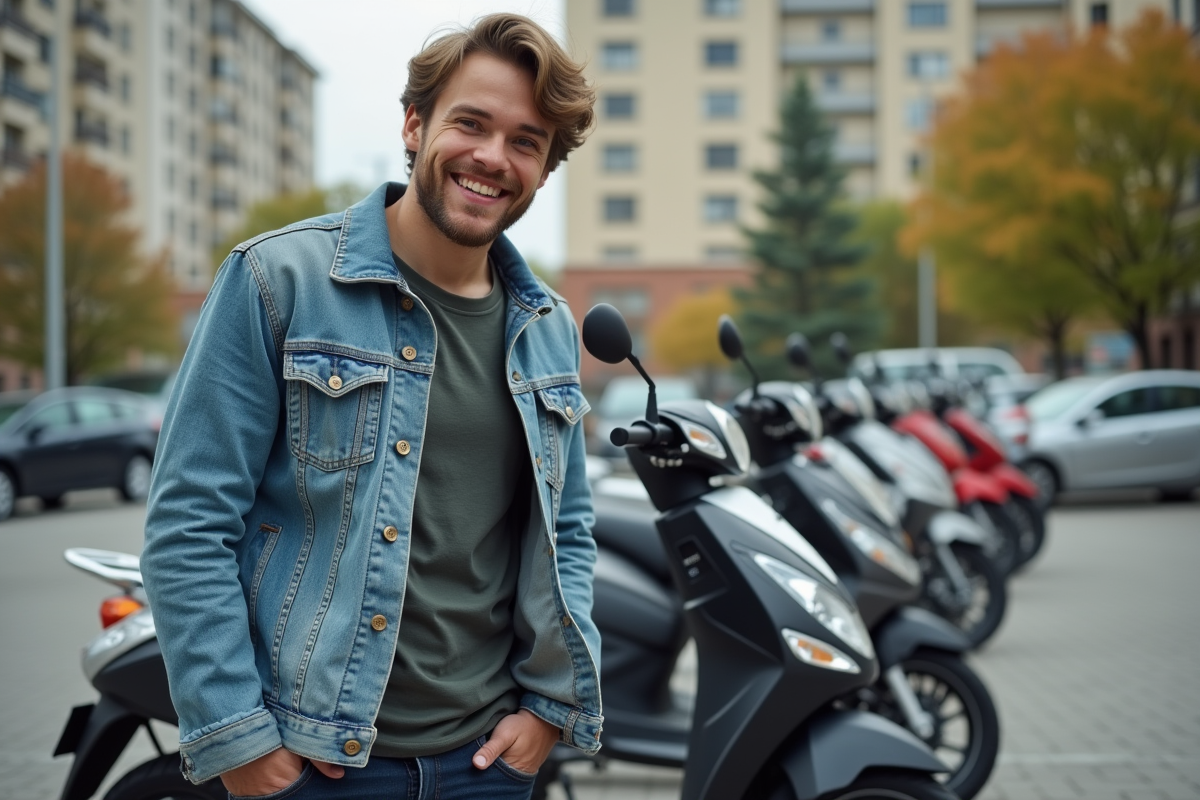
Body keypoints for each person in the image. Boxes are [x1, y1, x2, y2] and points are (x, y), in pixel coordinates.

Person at [141, 14, 601, 799]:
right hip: (316, 762)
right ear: (415, 126)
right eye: (472, 123)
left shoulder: (546, 327)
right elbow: (188, 523)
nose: (493, 157)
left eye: (526, 141)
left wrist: (548, 713)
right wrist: (239, 740)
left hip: (487, 764)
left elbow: (568, 531)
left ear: (545, 168)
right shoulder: (275, 280)